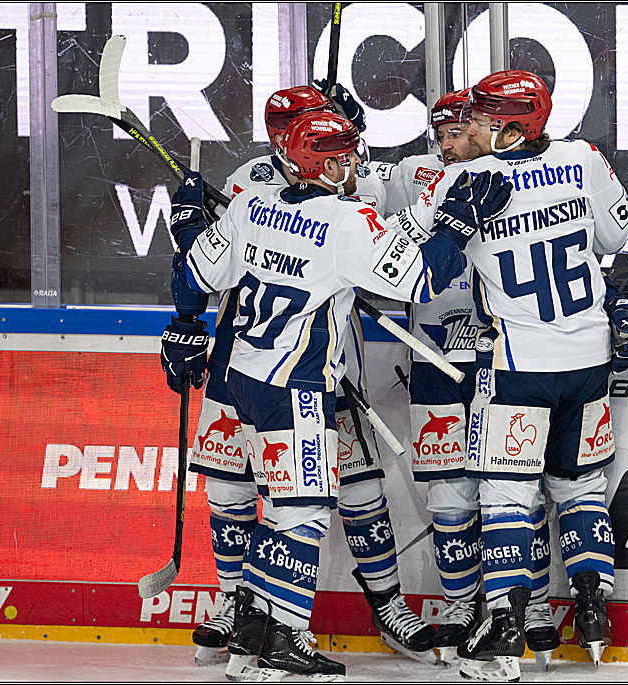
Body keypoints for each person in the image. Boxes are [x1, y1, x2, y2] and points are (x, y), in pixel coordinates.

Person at [164, 109, 511, 681]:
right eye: (346, 155)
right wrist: (459, 222)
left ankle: (253, 629)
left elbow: (192, 280)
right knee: (301, 517)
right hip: (296, 386)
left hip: (244, 381)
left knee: (280, 510)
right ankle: (284, 642)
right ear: (325, 166)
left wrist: (188, 232)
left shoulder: (251, 206)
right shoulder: (345, 222)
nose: (356, 163)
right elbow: (421, 277)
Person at [396, 69, 628, 681]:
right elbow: (625, 236)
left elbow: (407, 275)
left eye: (480, 120)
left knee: (505, 496)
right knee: (579, 489)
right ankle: (591, 612)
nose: (469, 129)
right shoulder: (583, 157)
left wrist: (455, 227)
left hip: (517, 367)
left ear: (509, 127)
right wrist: (627, 300)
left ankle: (505, 634)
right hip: (589, 360)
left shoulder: (464, 179)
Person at [374, 89, 560, 668]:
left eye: (458, 132)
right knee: (450, 496)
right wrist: (344, 125)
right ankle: (460, 605)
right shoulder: (413, 174)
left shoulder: (515, 177)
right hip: (431, 352)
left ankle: (526, 607)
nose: (447, 144)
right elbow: (356, 209)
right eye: (441, 134)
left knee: (516, 494)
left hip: (498, 353)